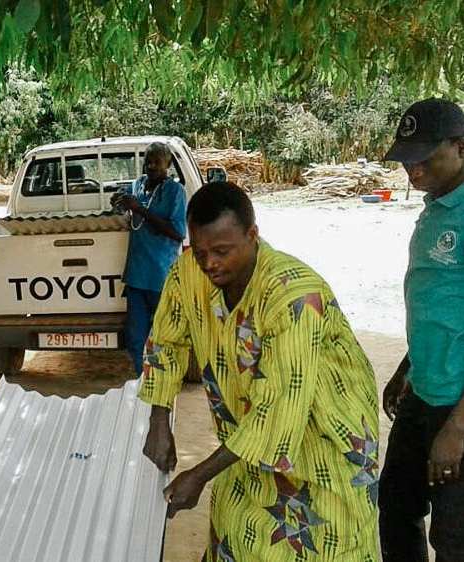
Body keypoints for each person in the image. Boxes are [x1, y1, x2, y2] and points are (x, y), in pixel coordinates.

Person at [140, 182, 380, 560]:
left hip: (324, 448)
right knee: (239, 534)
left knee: (327, 545)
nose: (209, 263)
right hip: (245, 445)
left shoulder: (295, 297)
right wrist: (159, 417)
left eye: (222, 251)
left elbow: (277, 409)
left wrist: (200, 474)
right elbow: (166, 341)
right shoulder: (190, 271)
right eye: (201, 251)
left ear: (253, 235)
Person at [379, 98, 464, 562]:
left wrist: (457, 429)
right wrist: (406, 367)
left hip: (457, 405)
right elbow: (440, 308)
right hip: (424, 394)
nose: (413, 169)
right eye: (407, 158)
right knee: (395, 507)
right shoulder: (435, 209)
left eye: (425, 156)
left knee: (452, 537)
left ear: (461, 147)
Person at [109, 142, 186, 376]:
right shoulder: (139, 185)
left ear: (168, 164)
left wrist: (140, 209)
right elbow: (128, 211)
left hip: (160, 276)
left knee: (164, 335)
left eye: (157, 161)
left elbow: (178, 232)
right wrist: (119, 203)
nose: (151, 165)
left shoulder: (175, 192)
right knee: (135, 337)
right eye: (147, 160)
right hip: (137, 276)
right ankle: (137, 380)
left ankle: (164, 382)